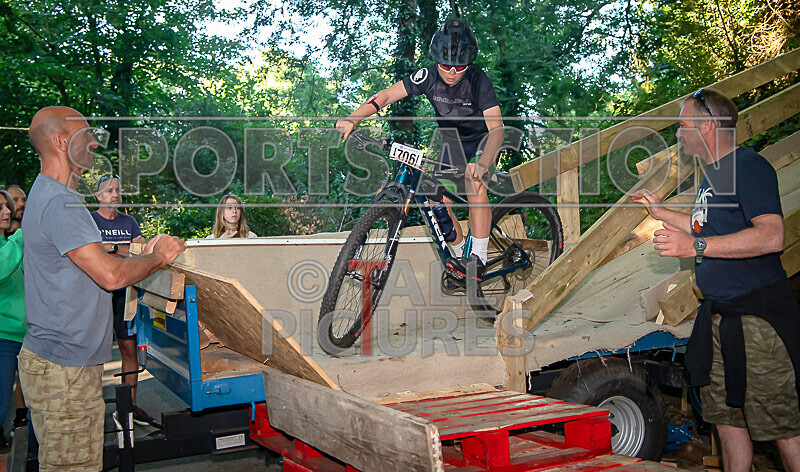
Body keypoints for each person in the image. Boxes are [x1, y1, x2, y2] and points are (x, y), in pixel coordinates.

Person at [633, 89, 800, 471]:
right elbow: (705, 228)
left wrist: (696, 245)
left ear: (707, 125)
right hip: (722, 321)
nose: (678, 134)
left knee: (783, 428)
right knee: (727, 424)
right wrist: (661, 212)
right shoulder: (714, 178)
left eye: (682, 125)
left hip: (758, 323)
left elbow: (772, 236)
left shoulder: (748, 167)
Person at [19, 106, 185, 471]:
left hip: (63, 365)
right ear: (62, 141)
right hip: (64, 372)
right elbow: (109, 276)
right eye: (85, 133)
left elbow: (97, 267)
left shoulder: (52, 196)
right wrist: (158, 257)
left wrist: (142, 254)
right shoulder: (60, 204)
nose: (94, 141)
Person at [334, 18, 503, 282]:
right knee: (437, 203)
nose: (451, 72)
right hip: (451, 146)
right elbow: (387, 95)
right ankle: (460, 259)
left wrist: (483, 163)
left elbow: (497, 130)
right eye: (446, 65)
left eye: (460, 66)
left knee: (474, 180)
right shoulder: (428, 76)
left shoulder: (478, 80)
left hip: (482, 143)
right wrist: (354, 118)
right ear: (436, 59)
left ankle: (478, 258)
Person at [91, 174, 153, 426]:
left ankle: (131, 407)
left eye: (117, 190)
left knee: (129, 349)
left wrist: (111, 248)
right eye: (108, 191)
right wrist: (121, 249)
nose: (114, 195)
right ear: (98, 196)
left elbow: (138, 254)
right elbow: (93, 255)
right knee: (95, 352)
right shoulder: (88, 220)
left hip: (126, 295)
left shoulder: (129, 222)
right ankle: (91, 405)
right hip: (97, 295)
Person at [0, 189, 24, 448]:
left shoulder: (9, 244)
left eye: (7, 206)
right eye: (1, 207)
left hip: (26, 335)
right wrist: (20, 239)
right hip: (3, 337)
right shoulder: (13, 245)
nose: (8, 211)